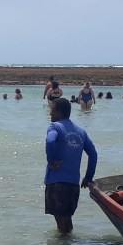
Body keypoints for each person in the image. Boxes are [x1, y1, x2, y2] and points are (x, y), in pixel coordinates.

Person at [44, 98, 98, 234]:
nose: (50, 113)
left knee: (61, 225)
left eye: (52, 110)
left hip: (57, 182)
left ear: (59, 112)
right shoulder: (81, 131)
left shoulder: (55, 127)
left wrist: (51, 161)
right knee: (67, 222)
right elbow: (93, 154)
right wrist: (88, 177)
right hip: (73, 184)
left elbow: (50, 141)